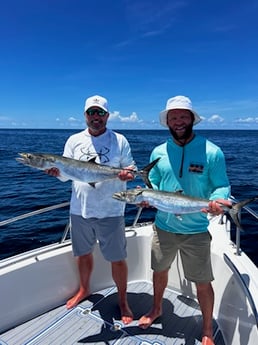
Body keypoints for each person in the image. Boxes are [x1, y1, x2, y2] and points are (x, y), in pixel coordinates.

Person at [138, 95, 231, 345]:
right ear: (167, 121)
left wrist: (219, 201)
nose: (178, 121)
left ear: (192, 119)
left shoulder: (212, 151)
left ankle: (208, 329)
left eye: (183, 116)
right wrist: (147, 196)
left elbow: (221, 186)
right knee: (159, 272)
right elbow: (153, 182)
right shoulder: (159, 151)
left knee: (202, 282)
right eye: (173, 117)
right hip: (163, 227)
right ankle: (156, 308)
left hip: (196, 229)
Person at [46, 95, 135, 324]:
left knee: (117, 258)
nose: (96, 117)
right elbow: (67, 173)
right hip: (80, 210)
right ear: (85, 115)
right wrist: (57, 174)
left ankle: (123, 300)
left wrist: (128, 174)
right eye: (91, 112)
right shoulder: (74, 140)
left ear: (107, 115)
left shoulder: (119, 140)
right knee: (82, 254)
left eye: (100, 113)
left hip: (112, 210)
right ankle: (84, 289)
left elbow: (130, 169)